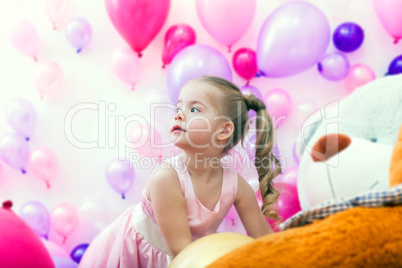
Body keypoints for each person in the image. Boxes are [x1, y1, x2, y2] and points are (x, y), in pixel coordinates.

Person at [79, 76, 282, 268]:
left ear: (224, 131)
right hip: (143, 256)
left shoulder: (236, 185)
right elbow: (183, 253)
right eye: (178, 107)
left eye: (194, 109)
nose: (178, 114)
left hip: (189, 257)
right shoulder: (167, 177)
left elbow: (264, 240)